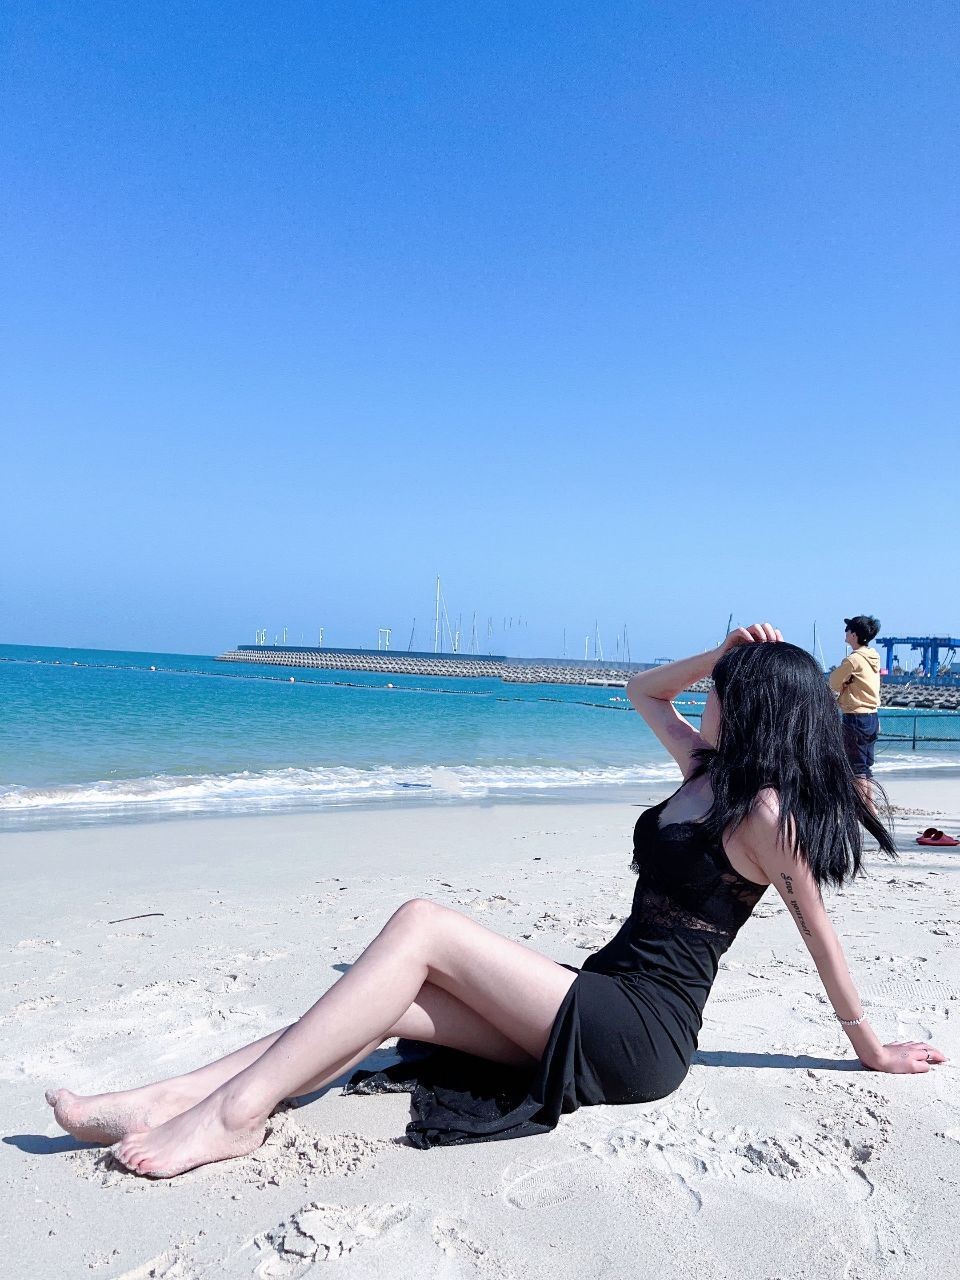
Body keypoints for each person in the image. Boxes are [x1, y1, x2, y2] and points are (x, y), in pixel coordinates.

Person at [46, 623, 945, 1179]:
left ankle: (234, 1119)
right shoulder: (703, 770)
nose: (706, 697)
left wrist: (869, 1047)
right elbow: (642, 690)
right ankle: (172, 1096)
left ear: (755, 712)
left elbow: (819, 936)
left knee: (421, 923)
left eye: (722, 691)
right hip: (596, 993)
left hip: (640, 1036)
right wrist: (722, 650)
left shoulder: (766, 814)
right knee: (385, 997)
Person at [829, 615, 882, 814]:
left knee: (856, 766)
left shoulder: (853, 660)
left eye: (848, 629)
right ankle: (870, 805)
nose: (845, 633)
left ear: (854, 634)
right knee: (865, 765)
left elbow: (833, 682)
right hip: (872, 715)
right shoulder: (873, 656)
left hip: (855, 717)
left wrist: (845, 684)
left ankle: (860, 806)